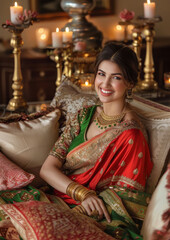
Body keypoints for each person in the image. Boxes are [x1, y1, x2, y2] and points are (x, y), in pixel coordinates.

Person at [40, 42, 153, 239]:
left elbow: (127, 199)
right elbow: (47, 169)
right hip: (58, 197)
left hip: (94, 214)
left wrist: (84, 207)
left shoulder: (130, 134)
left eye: (116, 77)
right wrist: (83, 193)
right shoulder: (84, 116)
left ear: (130, 83)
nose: (105, 84)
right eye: (101, 74)